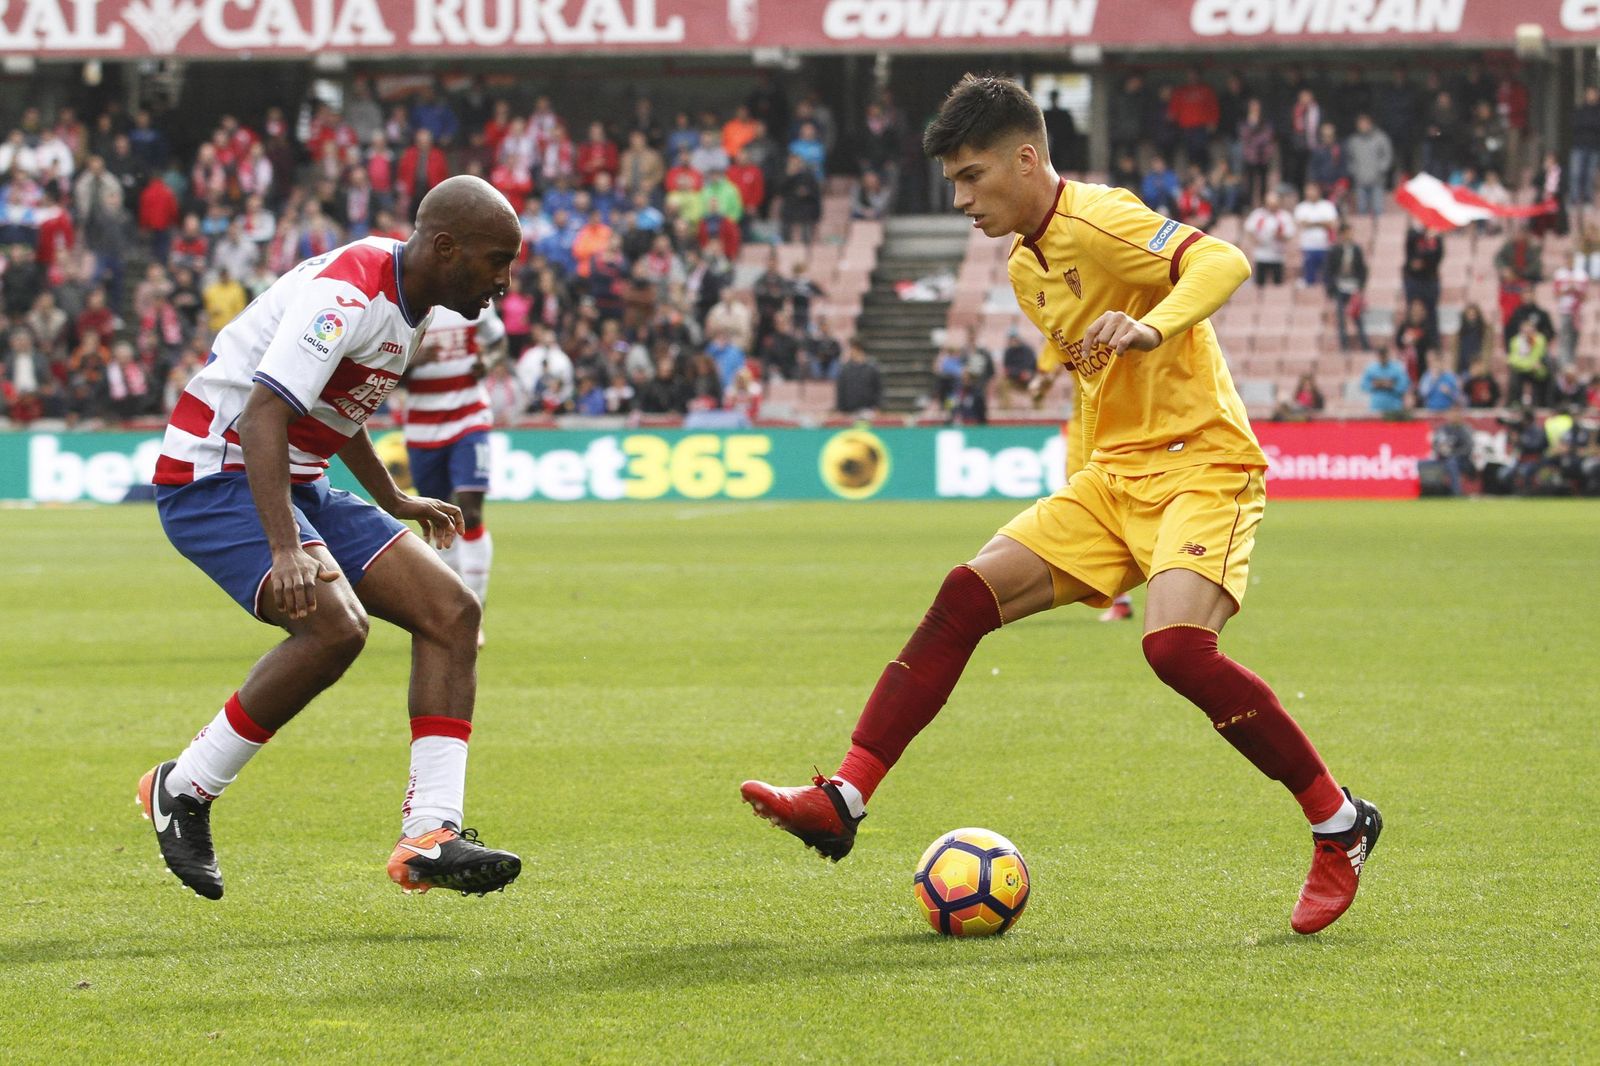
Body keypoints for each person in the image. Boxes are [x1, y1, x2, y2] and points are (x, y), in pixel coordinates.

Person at [741, 75, 1381, 937]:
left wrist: (1157, 325)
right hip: (1110, 481)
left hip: (1201, 466)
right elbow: (1090, 387)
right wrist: (1085, 508)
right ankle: (843, 799)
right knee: (964, 593)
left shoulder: (1101, 220)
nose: (960, 198)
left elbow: (1221, 261)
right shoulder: (1023, 265)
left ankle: (1339, 823)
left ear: (1027, 158)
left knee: (1177, 651)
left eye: (971, 177)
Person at [139, 176, 524, 902]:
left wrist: (391, 497)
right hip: (214, 473)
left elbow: (335, 408)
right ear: (446, 248)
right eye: (496, 259)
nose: (504, 280)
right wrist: (288, 550)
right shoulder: (348, 295)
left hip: (298, 477)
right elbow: (260, 418)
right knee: (334, 626)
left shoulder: (410, 298)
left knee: (453, 612)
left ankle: (431, 834)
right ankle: (183, 788)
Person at [403, 296, 508, 647]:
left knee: (471, 510)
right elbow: (381, 369)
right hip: (422, 425)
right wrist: (413, 360)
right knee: (437, 521)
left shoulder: (474, 300)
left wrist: (487, 363)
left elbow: (498, 344)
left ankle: (473, 612)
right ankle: (449, 610)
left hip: (469, 414)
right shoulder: (408, 306)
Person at [1323, 224, 1370, 352]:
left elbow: (1362, 269)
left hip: (1353, 287)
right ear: (1342, 234)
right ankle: (1344, 346)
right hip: (1339, 286)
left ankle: (1365, 344)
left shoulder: (1356, 249)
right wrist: (1331, 287)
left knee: (1358, 318)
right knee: (1341, 318)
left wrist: (1360, 286)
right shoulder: (1334, 250)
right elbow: (1329, 270)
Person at [1242, 190, 1295, 286]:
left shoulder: (1284, 216)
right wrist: (1255, 239)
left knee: (1277, 285)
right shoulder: (1258, 214)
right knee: (1259, 284)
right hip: (1261, 255)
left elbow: (1289, 234)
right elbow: (1249, 229)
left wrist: (1279, 235)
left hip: (1278, 255)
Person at [1360, 347, 1410, 416]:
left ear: (1388, 355)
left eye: (1384, 356)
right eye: (1380, 356)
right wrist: (1374, 385)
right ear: (1377, 356)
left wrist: (1391, 385)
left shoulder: (1397, 368)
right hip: (1376, 406)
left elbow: (1404, 385)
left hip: (1394, 406)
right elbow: (1363, 386)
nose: (1382, 358)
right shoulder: (1371, 369)